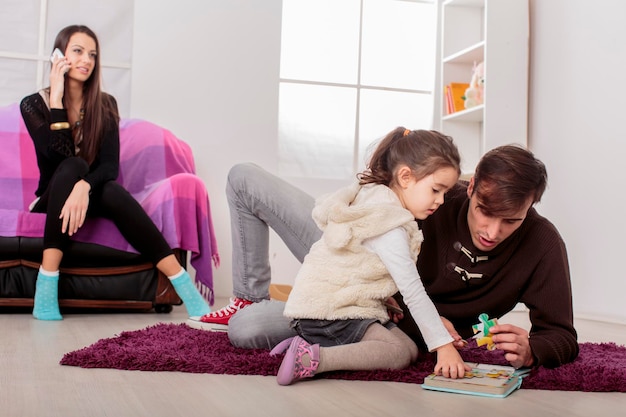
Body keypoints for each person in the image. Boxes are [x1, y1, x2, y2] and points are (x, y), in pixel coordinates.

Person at [190, 143, 578, 371]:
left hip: (365, 308)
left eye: (510, 220)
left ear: (532, 206)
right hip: (351, 250)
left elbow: (563, 335)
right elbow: (375, 202)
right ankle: (249, 294)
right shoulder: (436, 198)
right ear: (470, 186)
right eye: (484, 212)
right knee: (244, 177)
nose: (492, 232)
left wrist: (534, 351)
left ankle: (276, 318)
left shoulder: (542, 244)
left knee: (246, 329)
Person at [19, 25, 211, 320]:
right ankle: (46, 287)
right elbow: (57, 159)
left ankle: (185, 287)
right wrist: (56, 100)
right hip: (51, 198)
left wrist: (84, 187)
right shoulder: (33, 104)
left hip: (92, 195)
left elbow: (109, 167)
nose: (86, 60)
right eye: (78, 51)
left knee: (109, 187)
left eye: (92, 54)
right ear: (59, 56)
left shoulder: (105, 104)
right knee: (74, 165)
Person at [263, 128, 467, 385]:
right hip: (329, 314)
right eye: (436, 190)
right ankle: (312, 359)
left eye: (445, 193)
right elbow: (413, 291)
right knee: (397, 353)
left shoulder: (374, 198)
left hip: (335, 309)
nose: (440, 201)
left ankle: (306, 342)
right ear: (405, 176)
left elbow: (361, 265)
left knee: (410, 348)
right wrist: (443, 345)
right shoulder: (389, 224)